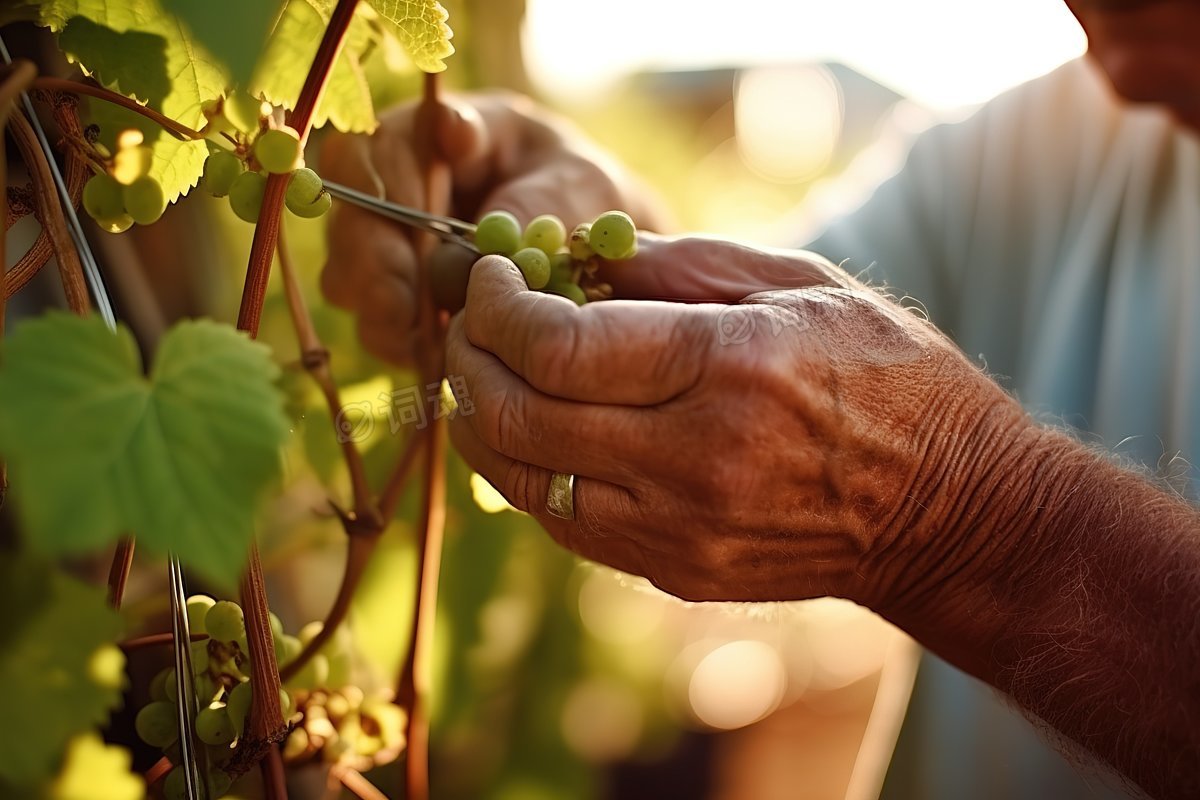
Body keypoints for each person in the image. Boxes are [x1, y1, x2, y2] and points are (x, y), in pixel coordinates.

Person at [317, 1, 1200, 798]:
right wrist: (597, 237)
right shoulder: (1049, 137)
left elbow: (895, 444)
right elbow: (772, 337)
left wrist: (969, 523)